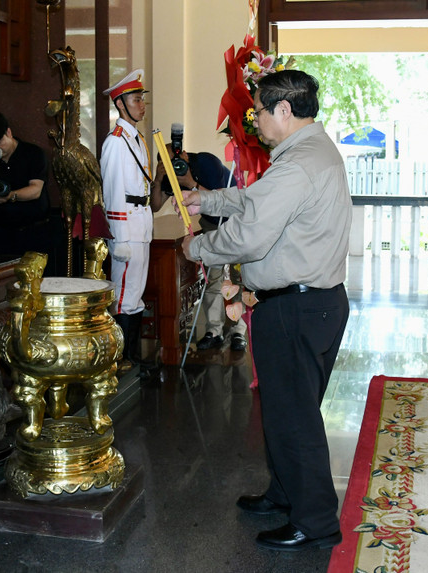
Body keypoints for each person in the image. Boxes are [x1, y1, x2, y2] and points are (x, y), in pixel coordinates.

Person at [181, 69, 352, 551]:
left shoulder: (299, 164)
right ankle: (286, 493)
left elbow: (250, 235)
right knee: (286, 412)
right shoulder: (310, 153)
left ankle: (315, 522)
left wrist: (198, 248)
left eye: (257, 110)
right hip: (313, 304)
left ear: (283, 109)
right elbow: (254, 202)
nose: (253, 119)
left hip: (297, 309)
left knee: (294, 418)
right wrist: (207, 198)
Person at [151, 144, 248, 352]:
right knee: (212, 278)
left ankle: (239, 330)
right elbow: (155, 206)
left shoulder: (206, 162)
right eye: (167, 164)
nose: (174, 166)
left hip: (236, 222)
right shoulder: (169, 176)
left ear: (185, 154)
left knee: (238, 278)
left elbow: (221, 200)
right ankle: (214, 330)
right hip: (211, 225)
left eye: (175, 160)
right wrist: (158, 179)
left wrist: (191, 183)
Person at [100, 70, 154, 369]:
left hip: (140, 223)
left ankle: (132, 356)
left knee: (135, 293)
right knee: (123, 296)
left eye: (142, 99)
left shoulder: (136, 138)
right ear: (120, 104)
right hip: (126, 228)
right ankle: (119, 359)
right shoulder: (116, 142)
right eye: (135, 100)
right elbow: (113, 192)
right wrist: (119, 237)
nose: (141, 105)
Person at [0, 111, 64, 274]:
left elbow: (36, 190)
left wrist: (11, 196)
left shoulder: (33, 154)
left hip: (35, 233)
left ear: (8, 132)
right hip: (2, 236)